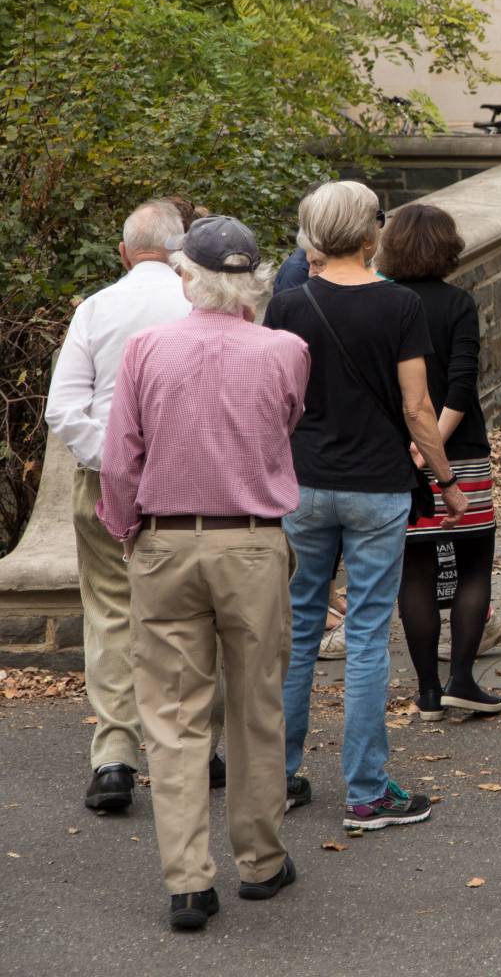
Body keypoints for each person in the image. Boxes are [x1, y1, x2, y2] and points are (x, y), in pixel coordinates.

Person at [94, 215, 310, 930]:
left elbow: (122, 456)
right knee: (257, 705)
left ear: (188, 277)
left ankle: (188, 880)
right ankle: (261, 858)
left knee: (174, 716)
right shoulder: (286, 350)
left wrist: (126, 531)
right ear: (252, 282)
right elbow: (283, 431)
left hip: (165, 540)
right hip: (251, 542)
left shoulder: (148, 348)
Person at [264, 180, 469, 829]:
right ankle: (366, 791)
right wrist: (447, 481)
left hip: (306, 482)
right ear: (366, 233)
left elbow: (276, 405)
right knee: (367, 635)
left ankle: (282, 776)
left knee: (299, 629)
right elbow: (416, 408)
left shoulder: (287, 307)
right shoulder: (400, 305)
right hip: (378, 485)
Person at [44, 199, 216, 814]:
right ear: (181, 251)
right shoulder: (202, 305)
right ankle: (198, 745)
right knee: (190, 615)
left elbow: (62, 408)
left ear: (123, 252)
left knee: (113, 614)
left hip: (103, 485)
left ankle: (115, 756)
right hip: (191, 488)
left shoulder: (96, 309)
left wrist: (116, 461)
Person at [379, 204, 501, 719]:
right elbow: (461, 382)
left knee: (416, 571)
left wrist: (414, 443)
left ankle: (427, 692)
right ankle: (462, 680)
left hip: (397, 452)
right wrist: (435, 443)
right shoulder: (459, 303)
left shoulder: (383, 302)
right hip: (464, 450)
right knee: (474, 565)